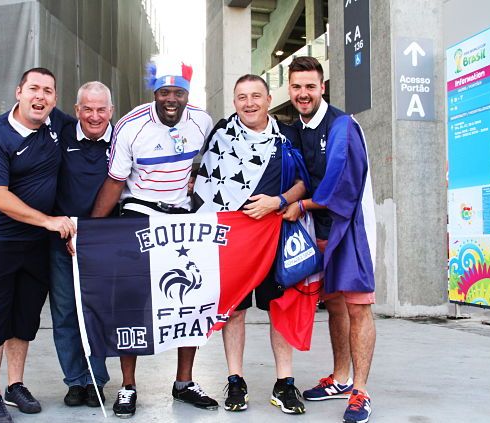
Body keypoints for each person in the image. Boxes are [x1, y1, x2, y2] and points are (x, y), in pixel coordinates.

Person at [90, 56, 217, 418]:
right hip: (138, 216)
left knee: (190, 300)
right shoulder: (130, 126)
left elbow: (211, 167)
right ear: (155, 93)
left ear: (187, 95)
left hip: (183, 218)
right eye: (165, 92)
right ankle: (128, 386)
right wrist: (95, 230)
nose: (172, 99)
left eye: (179, 92)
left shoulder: (202, 122)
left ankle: (184, 382)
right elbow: (115, 181)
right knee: (131, 302)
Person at [193, 74, 308, 415]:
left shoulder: (286, 136)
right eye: (242, 97)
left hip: (275, 234)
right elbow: (203, 182)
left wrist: (278, 201)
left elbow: (304, 182)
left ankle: (284, 383)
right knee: (235, 310)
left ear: (269, 99)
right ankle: (235, 379)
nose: (249, 103)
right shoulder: (221, 135)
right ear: (234, 101)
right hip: (232, 240)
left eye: (256, 95)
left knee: (279, 307)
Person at [0, 67, 76, 423]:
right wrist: (48, 220)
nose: (41, 96)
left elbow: (95, 124)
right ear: (18, 92)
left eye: (48, 91)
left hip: (35, 243)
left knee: (24, 318)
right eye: (34, 88)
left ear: (55, 99)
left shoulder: (56, 124)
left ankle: (16, 385)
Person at [285, 56, 376, 423]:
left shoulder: (343, 126)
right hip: (317, 232)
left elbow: (343, 185)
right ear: (289, 89)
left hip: (349, 229)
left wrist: (301, 204)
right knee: (335, 306)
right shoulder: (294, 129)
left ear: (322, 87)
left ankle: (361, 391)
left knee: (358, 307)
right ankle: (340, 378)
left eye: (310, 86)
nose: (303, 93)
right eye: (296, 87)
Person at [49, 81, 115, 408]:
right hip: (61, 241)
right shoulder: (60, 135)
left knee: (97, 313)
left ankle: (96, 380)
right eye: (87, 108)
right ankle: (74, 380)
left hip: (103, 242)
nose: (94, 115)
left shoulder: (120, 141)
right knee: (65, 313)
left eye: (101, 109)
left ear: (111, 112)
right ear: (76, 111)